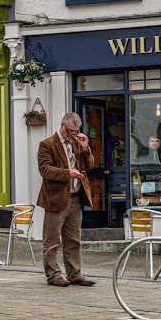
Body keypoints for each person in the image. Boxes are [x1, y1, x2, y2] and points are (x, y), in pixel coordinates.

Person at [37, 112, 95, 287]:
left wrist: (85, 148)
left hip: (75, 198)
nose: (73, 135)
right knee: (52, 240)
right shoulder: (47, 144)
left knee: (73, 240)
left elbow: (90, 165)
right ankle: (53, 275)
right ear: (62, 126)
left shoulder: (77, 143)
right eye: (70, 131)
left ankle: (75, 274)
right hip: (56, 199)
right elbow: (45, 170)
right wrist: (67, 173)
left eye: (76, 132)